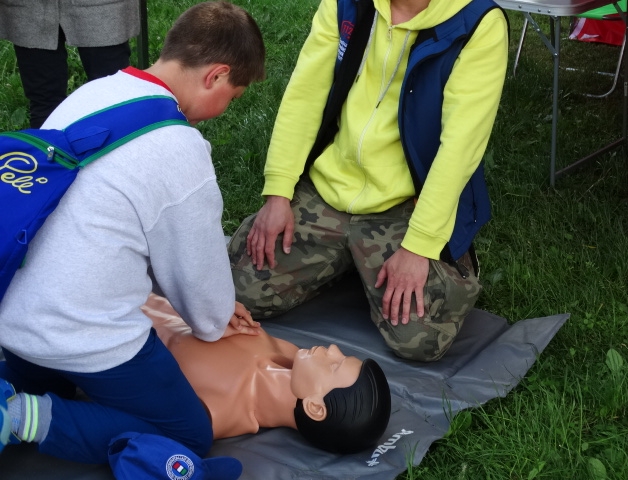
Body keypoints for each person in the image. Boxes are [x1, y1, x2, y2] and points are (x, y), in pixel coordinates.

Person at [0, 1, 265, 464]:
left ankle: (21, 386)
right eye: (235, 95)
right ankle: (21, 417)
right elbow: (205, 315)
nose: (226, 109)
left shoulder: (95, 91)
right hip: (77, 334)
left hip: (13, 316)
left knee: (56, 376)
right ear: (217, 75)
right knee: (187, 433)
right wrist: (218, 310)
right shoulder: (181, 150)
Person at [228, 0, 509, 362]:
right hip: (327, 189)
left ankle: (445, 264)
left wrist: (420, 246)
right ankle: (350, 259)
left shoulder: (477, 22)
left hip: (405, 206)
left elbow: (460, 148)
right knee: (238, 294)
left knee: (419, 339)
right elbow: (304, 96)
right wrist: (278, 194)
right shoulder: (346, 3)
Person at [142, 293, 391, 454]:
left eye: (334, 365)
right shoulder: (286, 352)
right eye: (342, 355)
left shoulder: (219, 410)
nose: (334, 348)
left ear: (315, 408)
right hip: (138, 287)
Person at [0, 0, 140, 129]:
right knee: (44, 104)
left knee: (112, 99)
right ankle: (49, 146)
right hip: (29, 8)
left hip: (102, 6)